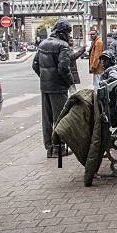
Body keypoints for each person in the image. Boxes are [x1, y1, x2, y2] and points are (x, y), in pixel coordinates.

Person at [32, 19, 74, 158]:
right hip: (59, 88)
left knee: (47, 119)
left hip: (45, 86)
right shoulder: (63, 46)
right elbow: (63, 68)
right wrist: (69, 82)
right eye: (68, 32)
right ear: (63, 32)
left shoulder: (43, 43)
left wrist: (45, 78)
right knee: (60, 118)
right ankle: (59, 149)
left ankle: (49, 148)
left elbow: (35, 65)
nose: (69, 36)